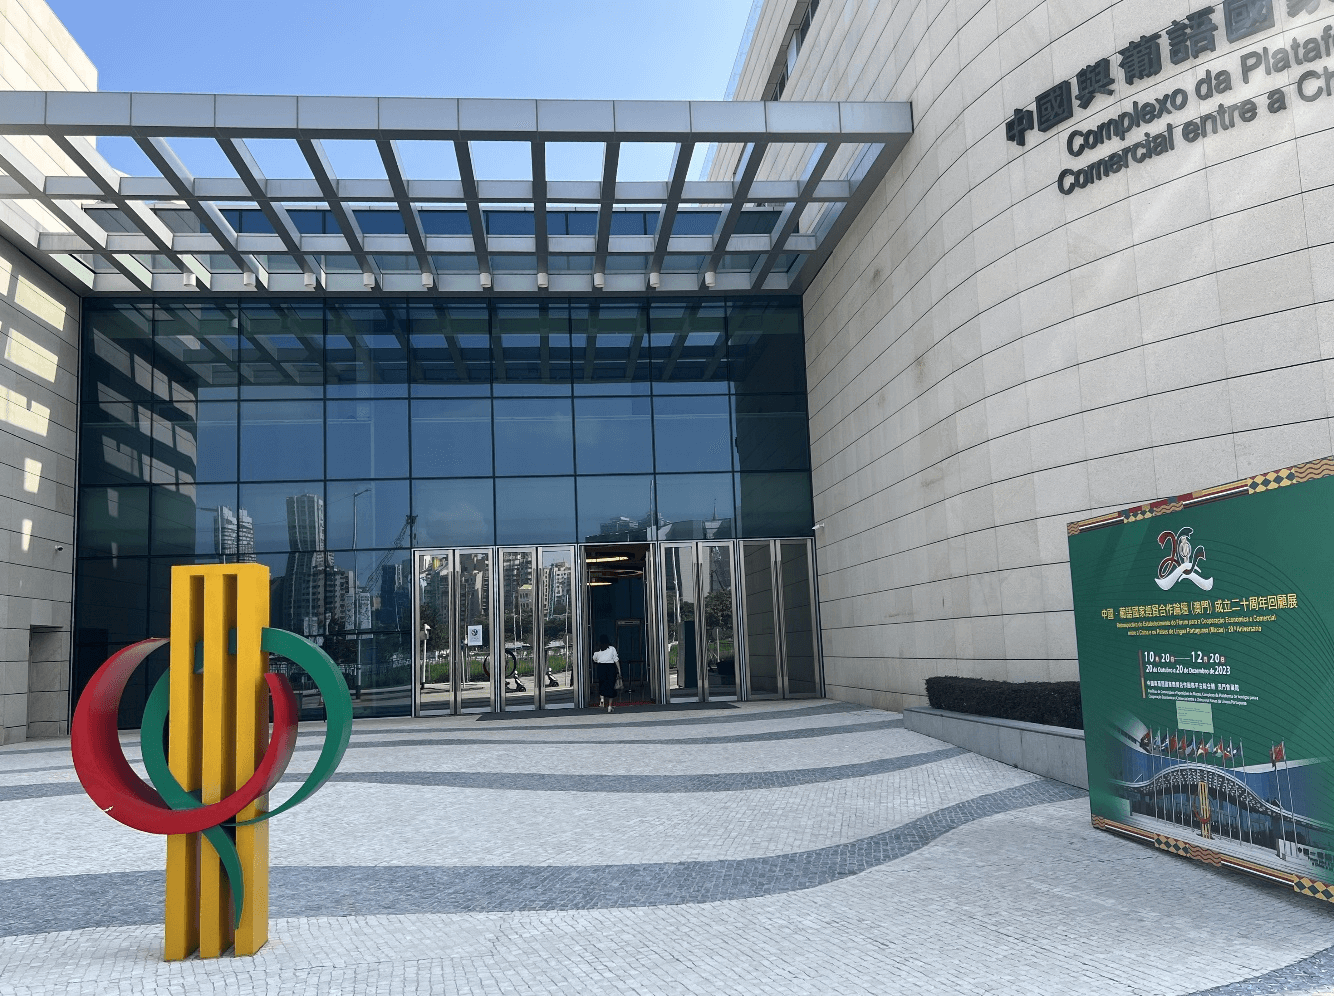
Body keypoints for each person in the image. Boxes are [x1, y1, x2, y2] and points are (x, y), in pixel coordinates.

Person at [593, 636, 620, 713]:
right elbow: (616, 659)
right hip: (610, 667)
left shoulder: (597, 650)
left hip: (601, 667)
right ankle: (610, 706)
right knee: (611, 686)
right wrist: (619, 670)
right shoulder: (612, 648)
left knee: (602, 683)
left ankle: (602, 699)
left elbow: (594, 659)